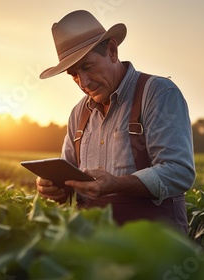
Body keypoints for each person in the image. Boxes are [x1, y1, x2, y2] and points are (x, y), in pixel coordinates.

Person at [36, 10, 195, 234]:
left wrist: (117, 184)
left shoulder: (158, 93)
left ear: (112, 50)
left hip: (156, 245)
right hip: (95, 247)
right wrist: (56, 188)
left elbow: (179, 172)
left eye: (87, 67)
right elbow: (68, 175)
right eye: (73, 74)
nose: (83, 82)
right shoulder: (78, 113)